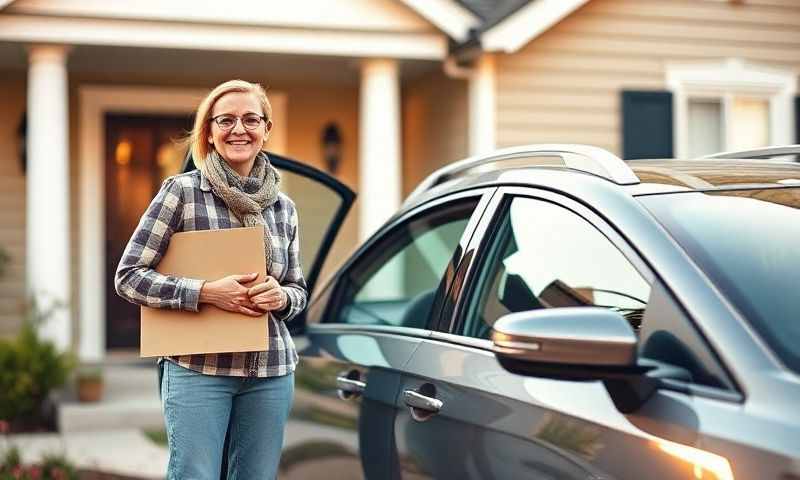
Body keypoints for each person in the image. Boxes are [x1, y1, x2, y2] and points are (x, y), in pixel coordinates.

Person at [114, 79, 306, 479]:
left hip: (269, 370)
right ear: (209, 132)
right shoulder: (182, 192)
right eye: (227, 120)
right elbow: (129, 276)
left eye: (251, 119)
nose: (240, 129)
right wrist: (204, 292)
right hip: (200, 371)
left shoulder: (283, 207)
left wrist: (282, 296)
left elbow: (298, 289)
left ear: (267, 129)